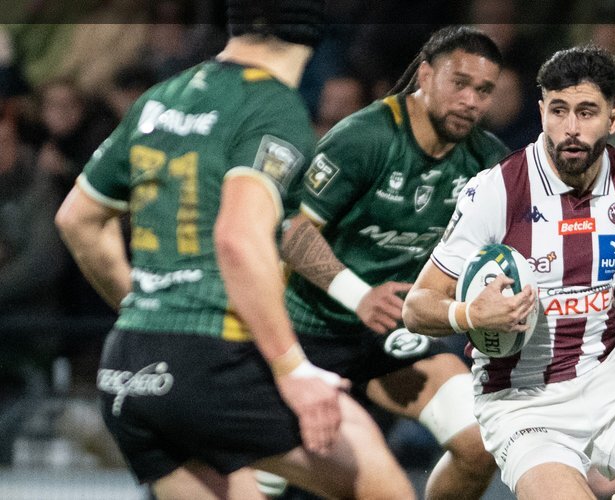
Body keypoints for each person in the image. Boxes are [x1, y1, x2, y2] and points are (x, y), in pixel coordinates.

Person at [53, 3, 414, 499]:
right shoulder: (273, 106)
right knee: (387, 490)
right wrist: (292, 370)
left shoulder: (161, 97)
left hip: (131, 363)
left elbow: (77, 219)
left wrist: (147, 310)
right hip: (216, 363)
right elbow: (238, 238)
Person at [403, 45, 615, 500]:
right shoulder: (498, 190)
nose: (570, 128)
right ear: (541, 111)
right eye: (558, 110)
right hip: (521, 400)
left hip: (609, 381)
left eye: (586, 112)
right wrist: (469, 315)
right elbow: (416, 307)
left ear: (614, 118)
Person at [277, 26, 506, 500]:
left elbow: (541, 222)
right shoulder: (365, 138)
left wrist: (606, 254)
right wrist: (359, 296)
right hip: (306, 334)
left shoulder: (486, 161)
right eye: (459, 83)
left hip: (388, 338)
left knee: (480, 443)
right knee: (275, 478)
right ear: (425, 75)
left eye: (484, 90)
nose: (471, 100)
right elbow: (293, 234)